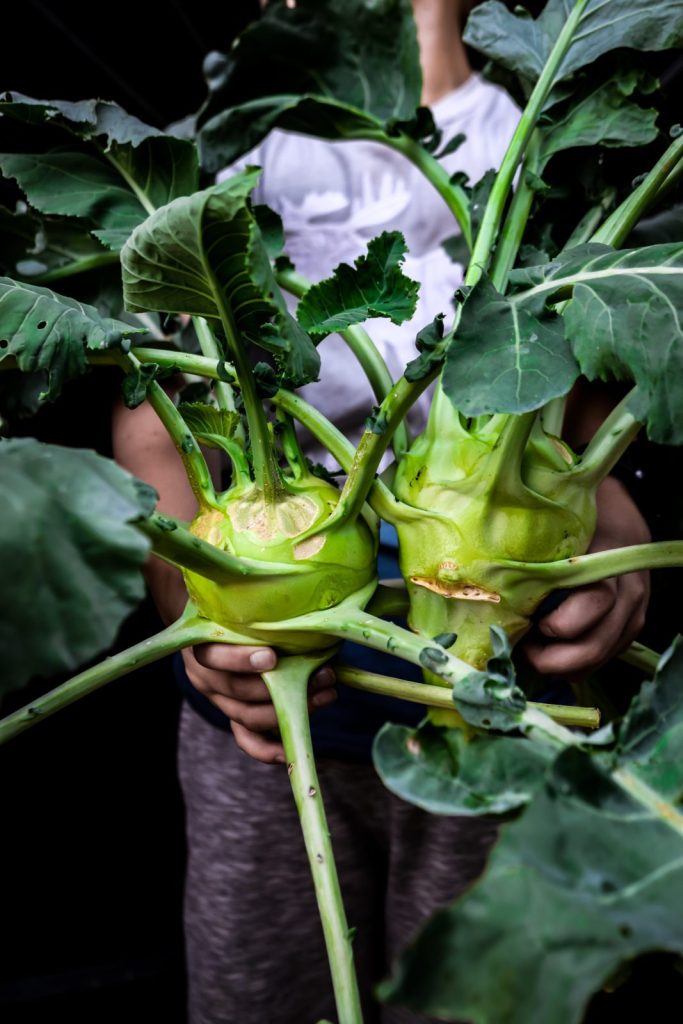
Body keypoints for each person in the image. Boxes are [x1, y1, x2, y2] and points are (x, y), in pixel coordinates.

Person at [112, 2, 650, 1020]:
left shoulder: (536, 144)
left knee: (476, 993)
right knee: (260, 985)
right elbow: (151, 420)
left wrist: (609, 523)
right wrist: (204, 607)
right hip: (268, 717)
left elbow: (583, 402)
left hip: (507, 696)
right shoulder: (220, 151)